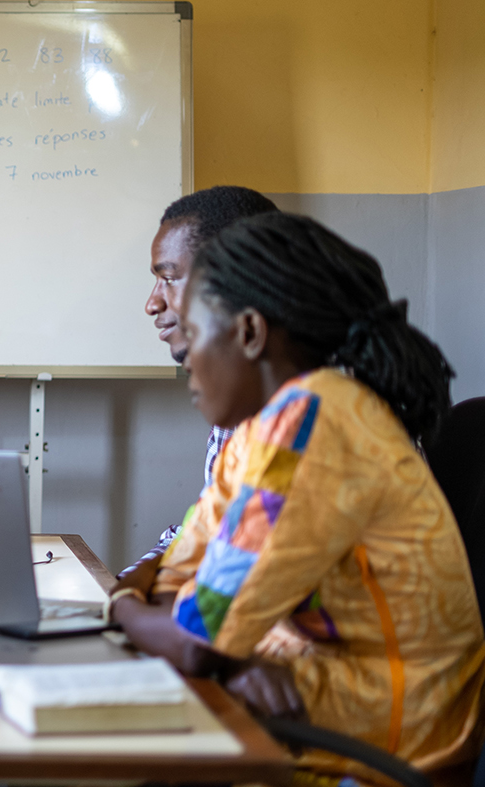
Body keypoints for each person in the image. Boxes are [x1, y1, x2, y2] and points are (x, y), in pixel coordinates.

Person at [111, 213, 483, 782]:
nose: (185, 352)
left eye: (194, 329)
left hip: (389, 754)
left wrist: (121, 606)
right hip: (316, 713)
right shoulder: (255, 432)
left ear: (250, 333)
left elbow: (191, 636)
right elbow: (176, 575)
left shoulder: (312, 422)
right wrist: (206, 643)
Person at [123, 186, 280, 575]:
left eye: (170, 278)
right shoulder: (244, 393)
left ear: (236, 281)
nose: (152, 304)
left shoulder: (305, 414)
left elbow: (240, 585)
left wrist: (131, 603)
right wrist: (132, 581)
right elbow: (210, 529)